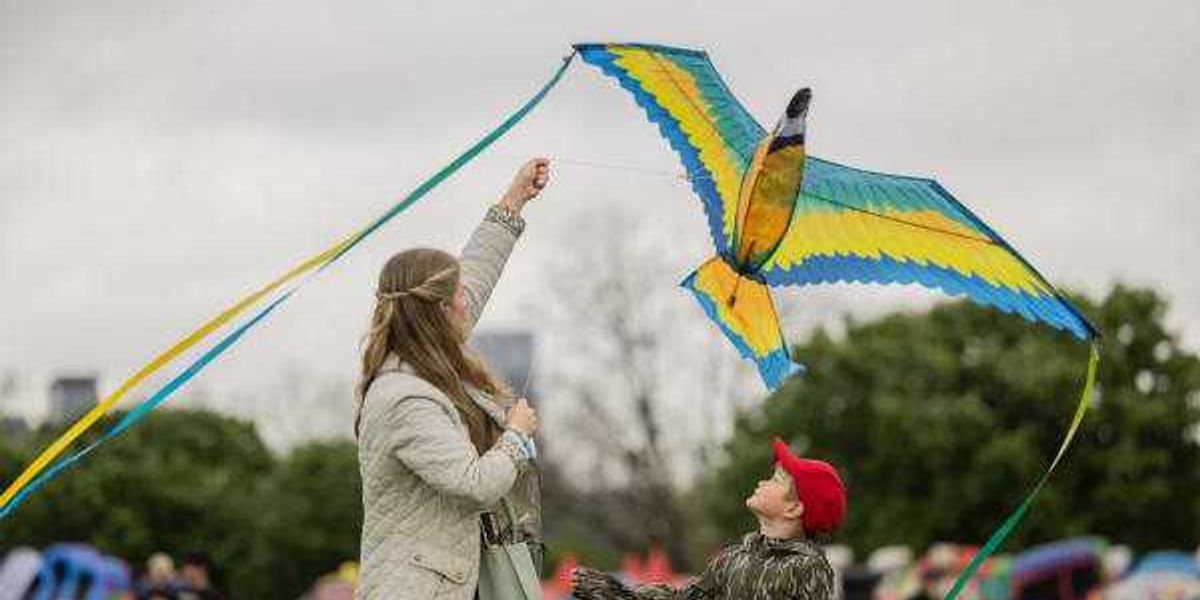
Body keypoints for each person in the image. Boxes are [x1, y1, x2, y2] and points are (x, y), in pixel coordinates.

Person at [355, 159, 550, 599]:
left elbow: (477, 271)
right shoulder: (403, 397)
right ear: (440, 312)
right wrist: (516, 436)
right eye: (459, 293)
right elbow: (474, 485)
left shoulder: (430, 356)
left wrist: (514, 200)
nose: (470, 298)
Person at [572, 438, 846, 600]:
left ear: (793, 509)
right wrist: (618, 593)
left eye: (776, 480)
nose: (763, 481)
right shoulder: (733, 558)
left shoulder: (809, 567)